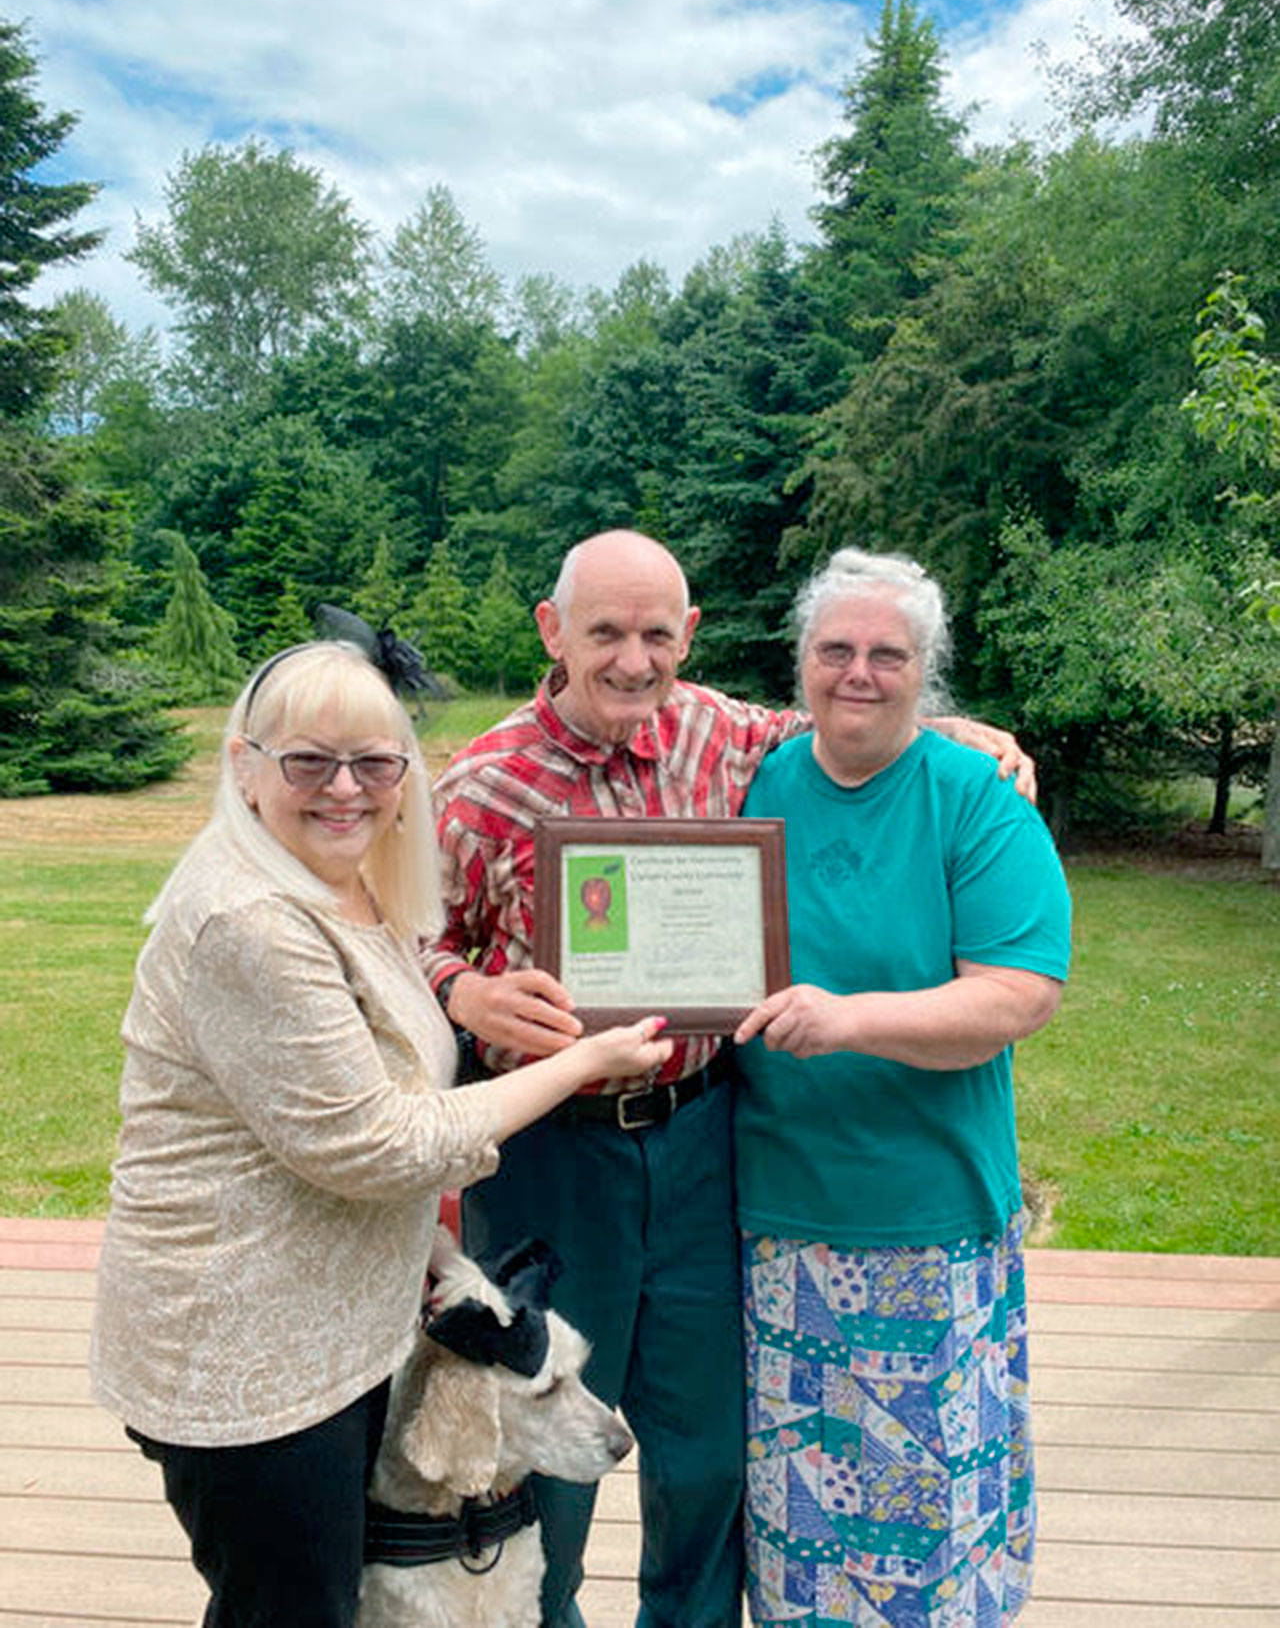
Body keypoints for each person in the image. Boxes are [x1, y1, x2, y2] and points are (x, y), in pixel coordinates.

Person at [421, 529, 1037, 1628]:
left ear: (687, 637)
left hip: (704, 1143)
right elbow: (393, 937)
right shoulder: (479, 784)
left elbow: (851, 710)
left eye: (656, 634)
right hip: (551, 1153)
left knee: (706, 1457)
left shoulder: (722, 733)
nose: (630, 659)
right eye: (603, 632)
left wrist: (956, 731)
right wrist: (460, 989)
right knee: (543, 1442)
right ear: (552, 631)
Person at [89, 638, 672, 1628]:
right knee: (290, 1608)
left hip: (329, 1325)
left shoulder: (342, 882)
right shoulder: (249, 920)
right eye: (308, 761)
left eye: (374, 761)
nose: (345, 788)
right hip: (245, 1359)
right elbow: (379, 1145)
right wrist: (577, 1064)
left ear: (405, 773)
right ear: (245, 765)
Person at [732, 548, 1071, 1626]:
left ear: (926, 671)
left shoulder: (975, 797)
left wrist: (846, 1022)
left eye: (889, 653)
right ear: (801, 663)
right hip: (774, 1223)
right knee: (800, 1539)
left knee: (927, 1535)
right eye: (835, 649)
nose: (858, 673)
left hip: (927, 1225)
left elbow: (1017, 995)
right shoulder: (752, 782)